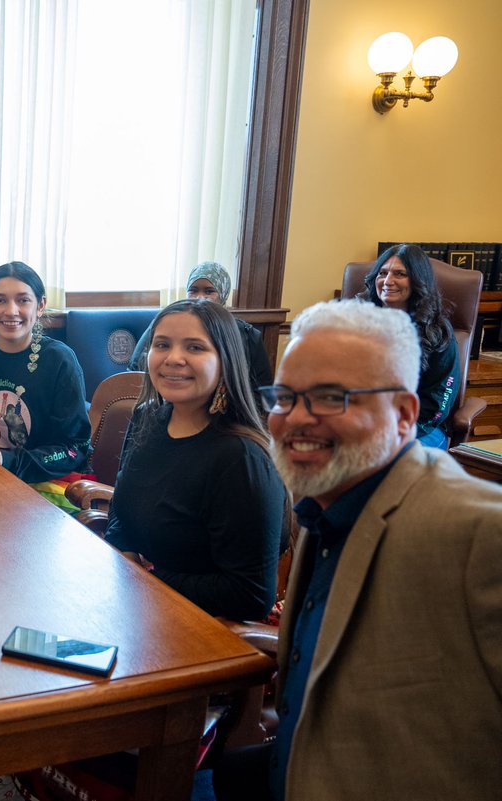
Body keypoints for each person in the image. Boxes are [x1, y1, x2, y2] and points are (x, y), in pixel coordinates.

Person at [215, 300, 502, 801]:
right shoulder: (326, 505)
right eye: (284, 397)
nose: (297, 420)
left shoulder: (480, 532)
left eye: (330, 397)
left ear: (405, 413)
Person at [106, 299, 286, 620]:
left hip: (208, 626)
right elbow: (121, 513)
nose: (174, 359)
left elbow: (250, 595)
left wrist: (148, 581)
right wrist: (125, 559)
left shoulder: (240, 457)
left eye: (195, 347)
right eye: (162, 345)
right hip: (138, 606)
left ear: (225, 360)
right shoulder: (147, 417)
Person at [0, 262, 91, 483]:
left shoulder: (60, 360)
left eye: (23, 300)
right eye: (0, 300)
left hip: (41, 483)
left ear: (40, 306)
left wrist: (8, 460)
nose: (11, 311)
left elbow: (73, 448)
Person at [355, 243, 459, 448]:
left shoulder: (437, 332)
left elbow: (436, 404)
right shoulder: (354, 320)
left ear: (418, 281)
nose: (387, 281)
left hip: (418, 428)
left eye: (399, 274)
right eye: (382, 273)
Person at [128, 261, 274, 391]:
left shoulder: (247, 335)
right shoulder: (165, 324)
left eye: (209, 291)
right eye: (193, 290)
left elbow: (261, 390)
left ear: (223, 295)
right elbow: (134, 371)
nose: (200, 297)